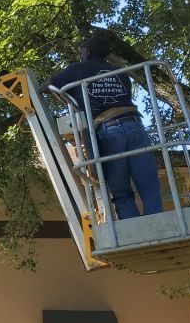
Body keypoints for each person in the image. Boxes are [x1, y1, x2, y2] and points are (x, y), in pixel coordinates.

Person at [42, 35, 163, 220]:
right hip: (134, 125)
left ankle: (131, 231)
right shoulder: (120, 72)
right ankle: (158, 224)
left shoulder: (78, 70)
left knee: (121, 191)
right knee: (148, 183)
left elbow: (47, 86)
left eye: (81, 51)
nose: (80, 54)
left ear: (88, 52)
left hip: (108, 130)